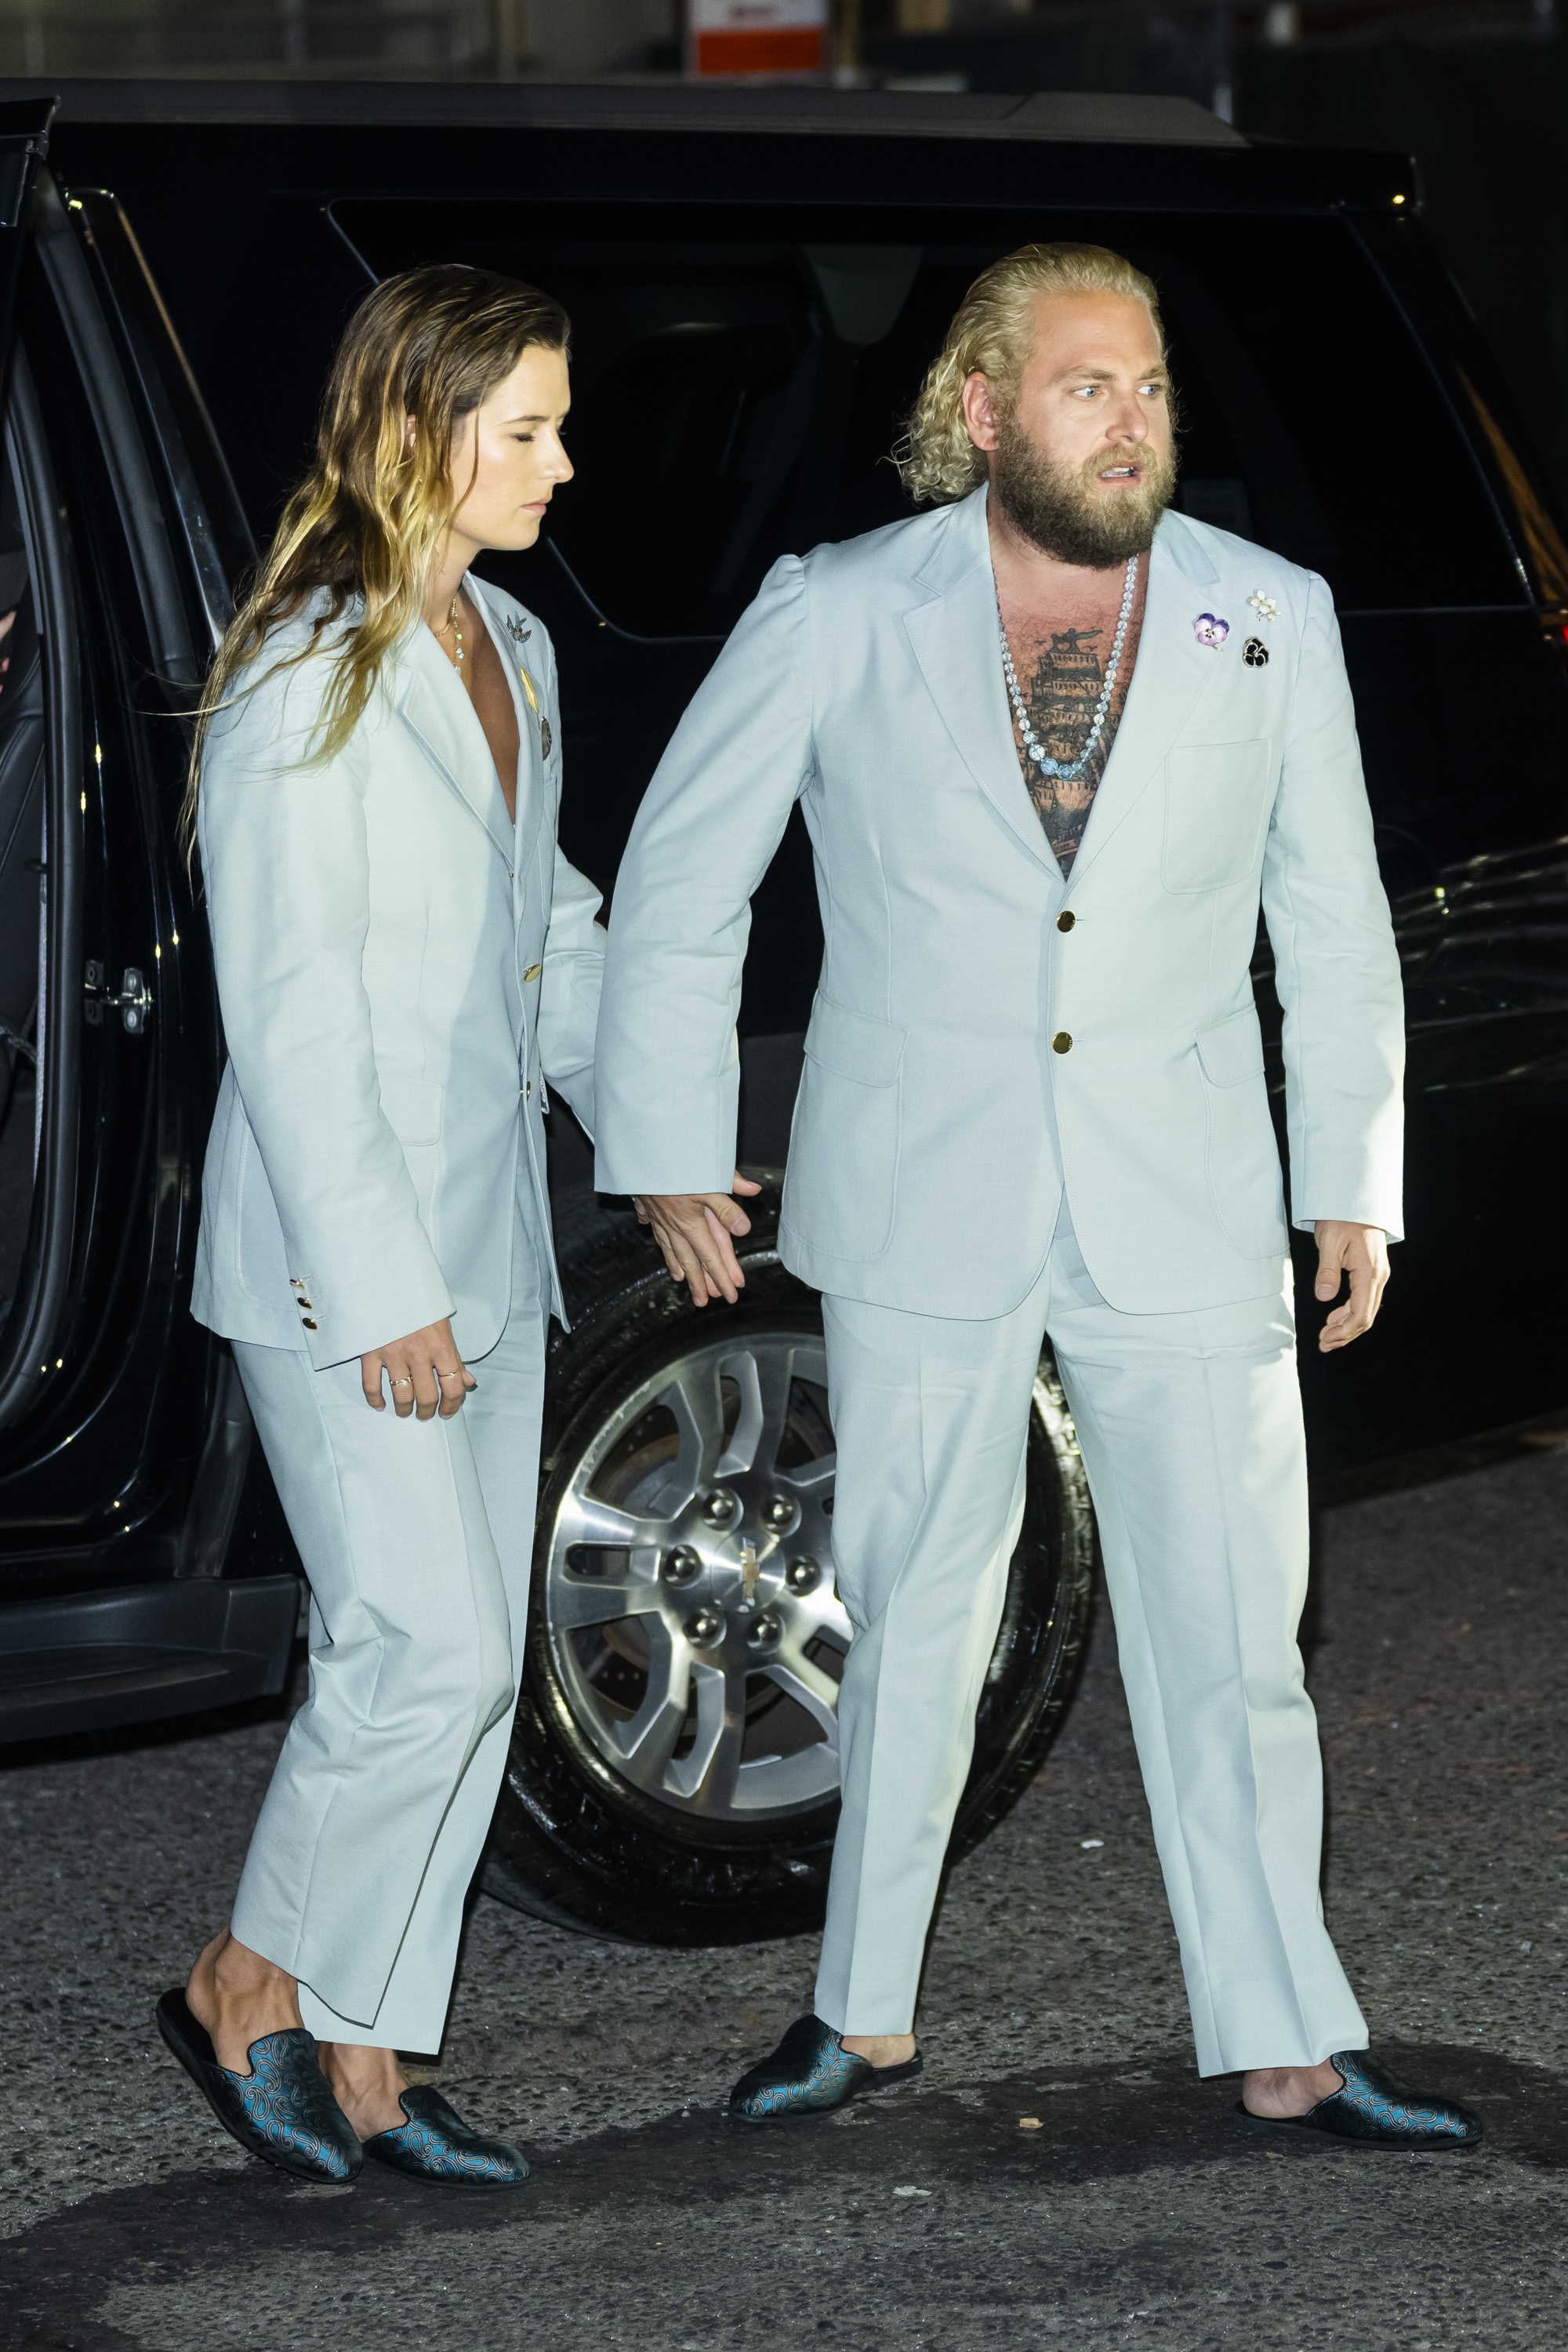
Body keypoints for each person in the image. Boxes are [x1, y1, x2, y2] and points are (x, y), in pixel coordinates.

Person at [592, 243, 1479, 2150]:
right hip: (925, 1181)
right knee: (913, 1606)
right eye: (1088, 386)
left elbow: (1330, 920)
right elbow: (680, 876)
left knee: (1239, 1628)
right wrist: (664, 1137)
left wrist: (1351, 1179)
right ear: (981, 408)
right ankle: (861, 2012)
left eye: (1150, 384)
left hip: (1183, 1182)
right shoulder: (836, 609)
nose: (1132, 417)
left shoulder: (1268, 613)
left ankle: (1285, 2028)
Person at [156, 265, 604, 2187]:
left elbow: (548, 931)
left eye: (558, 426)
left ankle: (368, 2057)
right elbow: (293, 1019)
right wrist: (382, 1292)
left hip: (486, 1234)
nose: (563, 466)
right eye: (526, 433)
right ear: (420, 434)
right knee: (419, 1648)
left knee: (456, 1659)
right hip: (348, 1269)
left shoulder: (509, 640)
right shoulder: (303, 671)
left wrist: (660, 1142)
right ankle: (249, 1981)